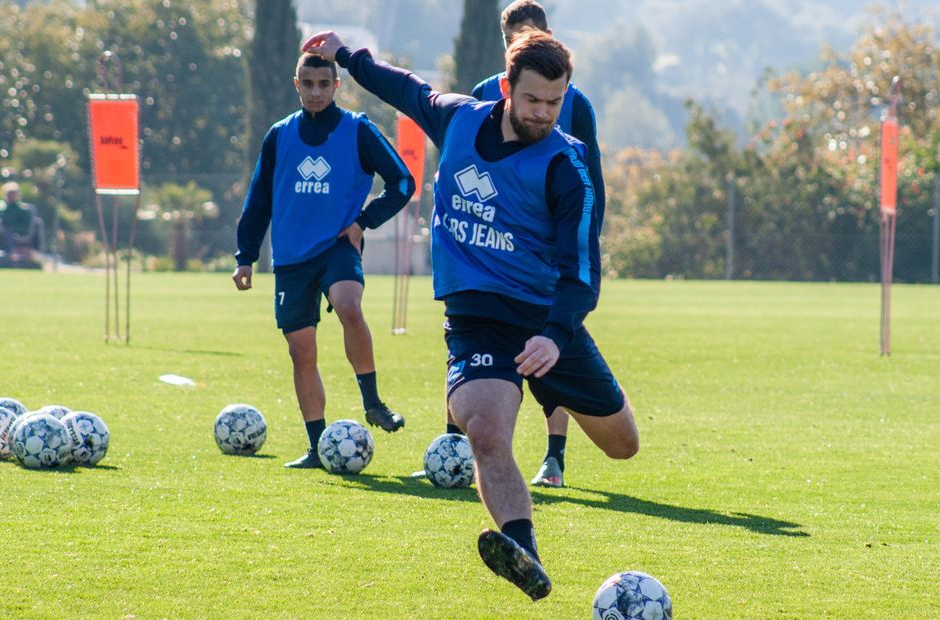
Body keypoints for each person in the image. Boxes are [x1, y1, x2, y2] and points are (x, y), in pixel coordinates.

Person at [301, 29, 639, 600]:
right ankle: (523, 551)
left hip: (546, 321)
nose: (544, 113)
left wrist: (557, 336)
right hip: (477, 316)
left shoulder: (566, 165)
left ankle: (558, 396)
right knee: (484, 431)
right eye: (533, 100)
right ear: (506, 87)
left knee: (622, 444)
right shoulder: (458, 120)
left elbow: (583, 272)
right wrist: (347, 57)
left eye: (556, 103)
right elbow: (405, 89)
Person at [233, 53, 415, 470]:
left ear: (336, 86)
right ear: (296, 84)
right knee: (302, 352)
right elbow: (258, 200)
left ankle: (373, 402)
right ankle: (318, 447)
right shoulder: (279, 135)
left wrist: (363, 222)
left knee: (350, 306)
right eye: (307, 83)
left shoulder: (358, 130)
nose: (315, 91)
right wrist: (245, 257)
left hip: (337, 246)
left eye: (323, 83)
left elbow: (403, 182)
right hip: (292, 257)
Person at [462, 0, 607, 489]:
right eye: (515, 38)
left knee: (550, 354)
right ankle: (458, 451)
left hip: (545, 254)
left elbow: (590, 181)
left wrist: (582, 248)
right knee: (473, 348)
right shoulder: (485, 93)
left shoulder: (575, 102)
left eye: (533, 35)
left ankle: (554, 456)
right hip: (488, 249)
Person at [0, 182, 41, 252]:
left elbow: (24, 226)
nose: (11, 196)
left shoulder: (23, 209)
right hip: (0, 235)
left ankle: (10, 253)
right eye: (9, 194)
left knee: (9, 235)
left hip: (15, 234)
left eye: (13, 194)